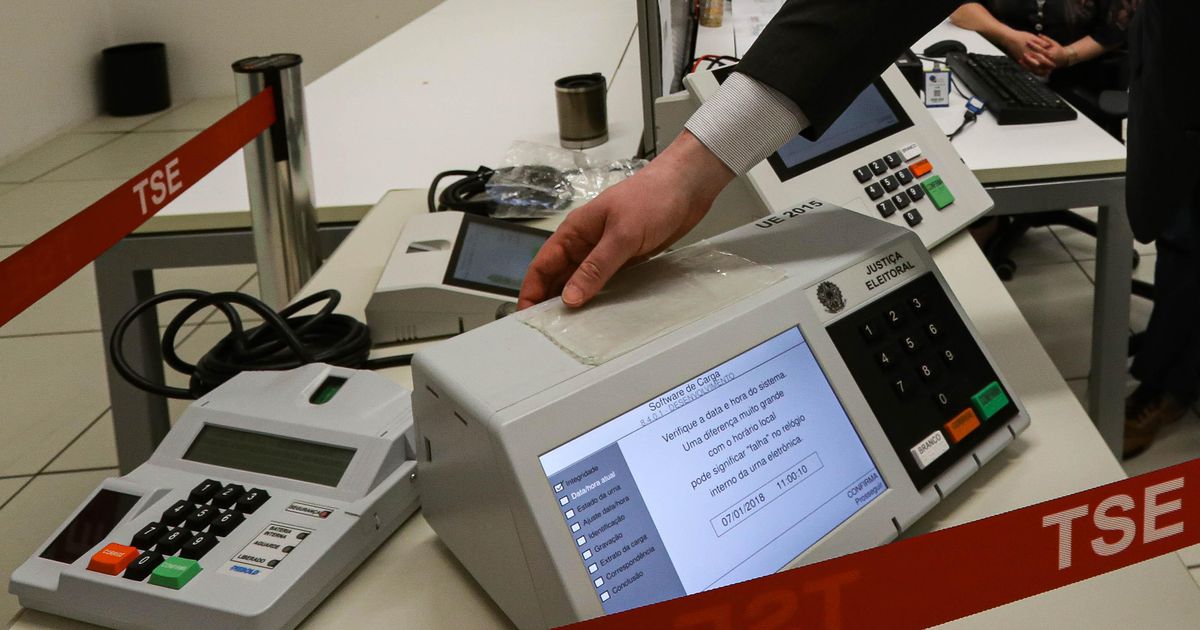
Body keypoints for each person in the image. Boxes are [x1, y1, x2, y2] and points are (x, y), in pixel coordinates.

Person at [1119, 0, 1200, 458]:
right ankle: (1167, 363)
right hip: (1168, 88)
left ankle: (1168, 388)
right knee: (1176, 242)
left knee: (1187, 254)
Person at [949, 0, 1139, 137]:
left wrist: (1068, 55)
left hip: (1080, 84)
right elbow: (960, 9)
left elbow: (1118, 29)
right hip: (1001, 74)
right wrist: (1008, 37)